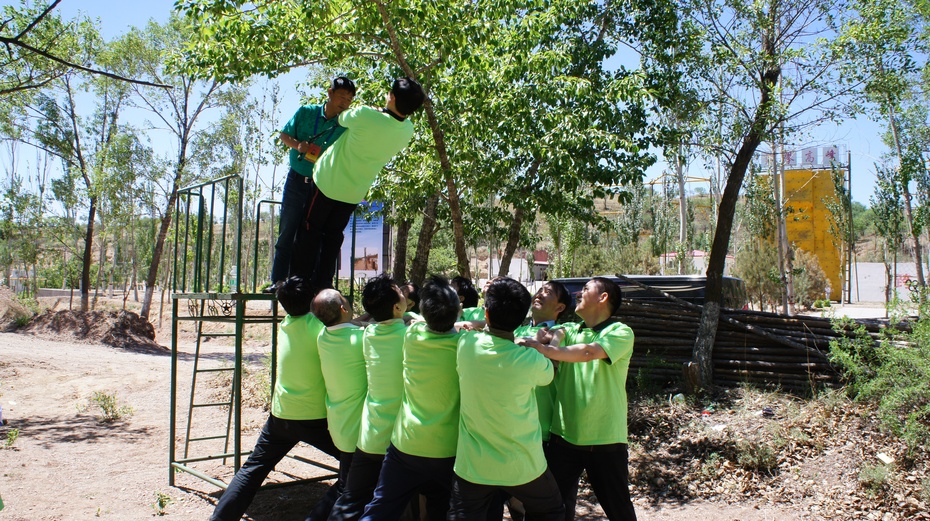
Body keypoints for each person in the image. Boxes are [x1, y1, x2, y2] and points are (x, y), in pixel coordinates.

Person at [211, 276, 341, 521]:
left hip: (281, 415)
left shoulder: (286, 323)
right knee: (358, 467)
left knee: (251, 471)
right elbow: (345, 327)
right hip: (315, 418)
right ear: (313, 300)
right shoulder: (321, 328)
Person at [291, 77, 426, 290]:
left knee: (310, 231)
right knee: (333, 238)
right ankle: (323, 286)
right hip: (353, 193)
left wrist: (374, 110)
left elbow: (342, 118)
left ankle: (298, 285)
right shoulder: (407, 130)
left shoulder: (365, 114)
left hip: (327, 182)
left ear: (392, 97)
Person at [449, 277, 563, 521]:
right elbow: (550, 371)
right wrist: (552, 341)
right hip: (523, 466)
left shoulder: (468, 345)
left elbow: (465, 327)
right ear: (522, 317)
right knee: (551, 510)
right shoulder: (529, 360)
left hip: (474, 467)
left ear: (487, 313)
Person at [523, 277, 637, 521]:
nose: (578, 293)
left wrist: (547, 349)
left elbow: (588, 352)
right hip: (563, 438)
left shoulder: (619, 332)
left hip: (605, 440)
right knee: (550, 510)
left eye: (585, 289)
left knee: (619, 510)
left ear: (603, 297)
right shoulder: (571, 330)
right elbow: (549, 334)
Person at [360, 276, 463, 521]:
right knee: (440, 509)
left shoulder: (412, 335)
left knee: (380, 508)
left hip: (406, 444)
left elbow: (405, 322)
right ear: (458, 310)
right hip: (448, 448)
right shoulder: (466, 345)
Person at [328, 275, 408, 521]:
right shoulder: (410, 336)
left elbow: (367, 323)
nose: (405, 293)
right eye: (400, 292)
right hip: (397, 439)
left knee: (350, 501)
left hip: (369, 434)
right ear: (396, 307)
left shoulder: (370, 333)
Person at [266, 77, 356, 292]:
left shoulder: (346, 125)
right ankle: (278, 281)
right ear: (330, 93)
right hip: (297, 181)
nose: (345, 102)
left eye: (350, 99)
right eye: (342, 96)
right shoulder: (306, 112)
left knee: (313, 235)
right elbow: (284, 135)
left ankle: (309, 285)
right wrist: (299, 145)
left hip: (322, 186)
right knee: (287, 231)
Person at [314, 289, 368, 514]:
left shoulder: (323, 336)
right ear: (344, 309)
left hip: (340, 424)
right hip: (358, 429)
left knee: (347, 481)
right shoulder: (361, 339)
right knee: (348, 490)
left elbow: (351, 326)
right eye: (345, 298)